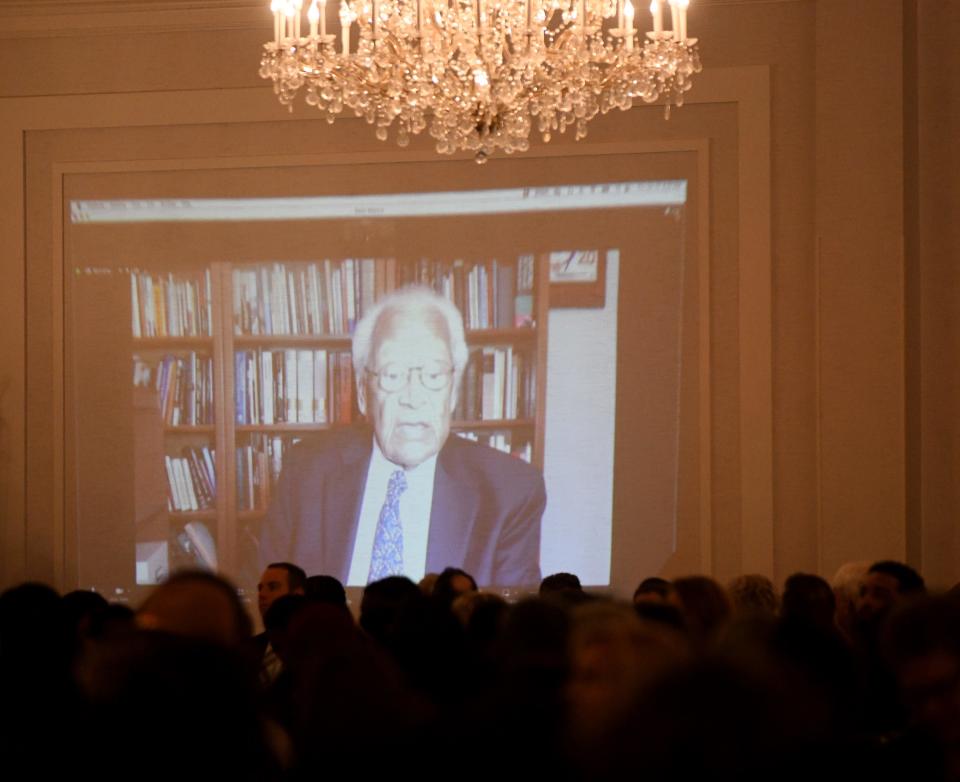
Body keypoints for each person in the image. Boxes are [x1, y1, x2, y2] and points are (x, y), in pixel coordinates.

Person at [259, 286, 545, 587]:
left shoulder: (510, 491)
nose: (413, 397)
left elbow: (508, 628)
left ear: (454, 393)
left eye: (433, 376)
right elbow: (266, 601)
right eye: (392, 374)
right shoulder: (305, 472)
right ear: (362, 393)